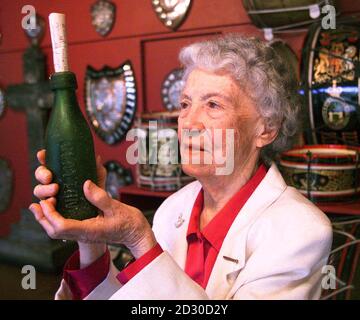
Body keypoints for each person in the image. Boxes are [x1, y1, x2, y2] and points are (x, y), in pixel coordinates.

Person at [29, 34, 332, 300]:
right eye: (186, 104)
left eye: (213, 105)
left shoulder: (300, 230)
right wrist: (89, 234)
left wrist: (139, 240)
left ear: (266, 129)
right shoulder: (173, 209)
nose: (188, 122)